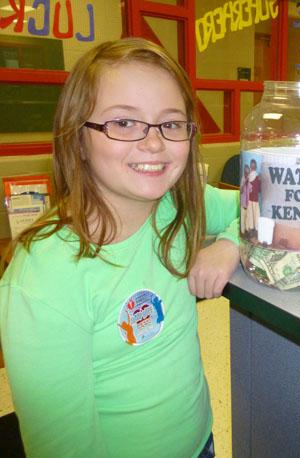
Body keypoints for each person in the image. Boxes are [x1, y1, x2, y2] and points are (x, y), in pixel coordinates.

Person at [0, 38, 240, 457]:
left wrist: (230, 243)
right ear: (78, 139)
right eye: (124, 123)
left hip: (200, 440)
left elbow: (262, 205)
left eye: (171, 123)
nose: (153, 143)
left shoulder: (178, 204)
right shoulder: (45, 277)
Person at [246, 158, 261, 239]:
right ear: (256, 167)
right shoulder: (257, 177)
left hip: (249, 199)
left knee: (250, 215)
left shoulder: (247, 177)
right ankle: (256, 229)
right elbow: (259, 190)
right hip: (255, 199)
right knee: (256, 214)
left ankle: (251, 229)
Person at [240, 164, 250, 234]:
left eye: (248, 172)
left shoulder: (250, 180)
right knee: (242, 220)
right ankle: (242, 232)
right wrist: (244, 183)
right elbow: (240, 191)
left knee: (248, 220)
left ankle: (247, 232)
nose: (247, 174)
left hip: (249, 204)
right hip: (243, 204)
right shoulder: (243, 179)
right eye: (245, 172)